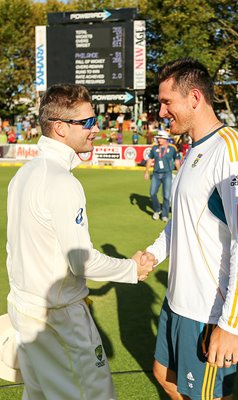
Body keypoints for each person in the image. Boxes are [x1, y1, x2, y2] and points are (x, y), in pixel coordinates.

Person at [6, 83, 156, 400]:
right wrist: (131, 269)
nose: (94, 129)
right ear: (60, 128)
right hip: (59, 319)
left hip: (27, 311)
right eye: (86, 122)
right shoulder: (61, 181)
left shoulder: (25, 174)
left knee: (38, 396)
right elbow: (81, 261)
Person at [143, 58, 238, 400]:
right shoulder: (194, 149)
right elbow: (179, 222)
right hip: (177, 300)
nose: (162, 112)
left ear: (194, 98)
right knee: (163, 375)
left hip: (207, 310)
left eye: (167, 102)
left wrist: (231, 324)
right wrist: (153, 254)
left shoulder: (231, 150)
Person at [144, 130, 180, 222]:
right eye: (158, 138)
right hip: (156, 174)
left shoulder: (172, 148)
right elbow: (150, 159)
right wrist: (147, 172)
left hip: (167, 173)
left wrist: (179, 172)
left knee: (166, 196)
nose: (158, 139)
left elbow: (176, 160)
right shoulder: (154, 148)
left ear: (165, 139)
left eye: (160, 138)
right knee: (152, 193)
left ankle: (165, 214)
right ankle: (157, 210)